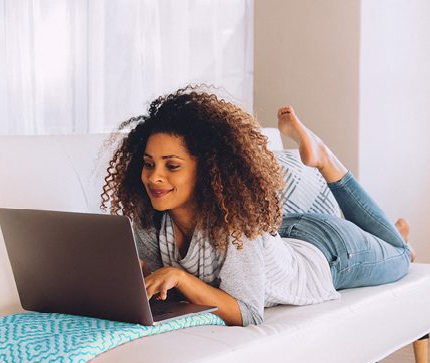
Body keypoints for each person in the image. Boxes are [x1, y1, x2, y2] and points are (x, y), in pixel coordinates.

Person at [101, 86, 414, 327]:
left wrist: (181, 278)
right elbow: (162, 287)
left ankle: (326, 161)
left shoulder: (237, 224)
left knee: (401, 257)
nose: (154, 177)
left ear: (207, 169)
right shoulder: (149, 221)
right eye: (148, 163)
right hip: (284, 232)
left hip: (329, 254)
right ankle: (388, 235)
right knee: (392, 244)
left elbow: (248, 312)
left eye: (172, 166)